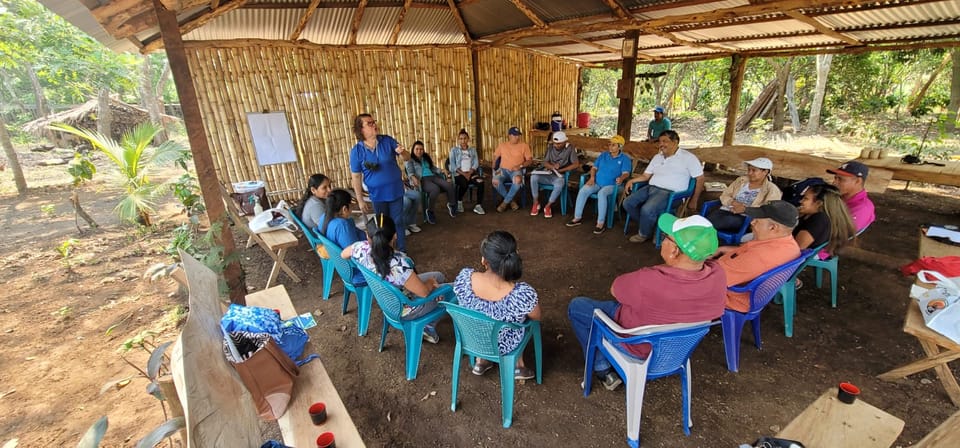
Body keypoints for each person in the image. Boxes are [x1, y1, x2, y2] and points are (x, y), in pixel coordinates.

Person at [567, 214, 726, 390]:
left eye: (666, 237)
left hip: (636, 345)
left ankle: (601, 367)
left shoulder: (649, 280)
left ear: (674, 251)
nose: (663, 240)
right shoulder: (718, 276)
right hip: (676, 352)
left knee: (577, 306)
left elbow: (615, 289)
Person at [341, 214, 445, 343]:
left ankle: (429, 322)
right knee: (449, 291)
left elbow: (343, 254)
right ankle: (428, 328)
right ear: (395, 235)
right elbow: (424, 293)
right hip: (406, 308)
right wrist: (430, 283)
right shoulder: (399, 265)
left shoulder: (360, 248)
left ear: (368, 237)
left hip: (388, 301)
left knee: (439, 276)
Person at [453, 231, 540, 380]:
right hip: (504, 346)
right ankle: (518, 366)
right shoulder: (522, 294)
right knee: (523, 322)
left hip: (472, 338)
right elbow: (537, 317)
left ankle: (481, 361)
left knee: (481, 318)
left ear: (484, 260)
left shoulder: (464, 278)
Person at [714, 200, 801, 312]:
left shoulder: (760, 257)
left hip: (731, 298)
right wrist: (723, 249)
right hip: (749, 292)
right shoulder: (789, 244)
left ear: (773, 228)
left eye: (757, 220)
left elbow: (714, 280)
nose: (752, 222)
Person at [623, 130, 704, 243]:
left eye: (665, 141)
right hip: (651, 188)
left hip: (671, 194)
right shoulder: (658, 157)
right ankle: (652, 226)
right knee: (628, 203)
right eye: (660, 141)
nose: (661, 144)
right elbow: (646, 176)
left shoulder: (688, 158)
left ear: (675, 142)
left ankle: (643, 234)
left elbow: (700, 178)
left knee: (647, 209)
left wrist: (694, 200)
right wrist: (631, 181)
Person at [349, 113, 410, 252]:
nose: (374, 125)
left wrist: (403, 152)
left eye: (373, 122)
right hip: (377, 195)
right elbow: (356, 177)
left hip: (395, 190)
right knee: (382, 224)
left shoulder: (387, 141)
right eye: (369, 123)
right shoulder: (357, 151)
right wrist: (360, 200)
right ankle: (386, 252)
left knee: (398, 222)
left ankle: (401, 251)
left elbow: (407, 158)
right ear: (361, 129)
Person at [567, 135, 632, 234]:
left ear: (620, 147)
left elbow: (626, 173)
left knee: (602, 193)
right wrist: (592, 178)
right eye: (609, 144)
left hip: (615, 186)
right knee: (584, 190)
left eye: (613, 145)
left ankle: (600, 224)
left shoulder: (624, 158)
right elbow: (594, 168)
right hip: (597, 182)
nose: (610, 147)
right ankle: (577, 218)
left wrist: (621, 178)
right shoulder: (604, 155)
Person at [705, 158, 782, 233]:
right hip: (726, 210)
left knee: (711, 223)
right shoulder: (741, 180)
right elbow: (725, 195)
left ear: (765, 172)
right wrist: (732, 202)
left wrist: (745, 209)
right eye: (749, 170)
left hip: (746, 218)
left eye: (754, 170)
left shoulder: (772, 190)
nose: (750, 173)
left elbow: (769, 211)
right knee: (706, 220)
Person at [318, 189, 366, 285]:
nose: (352, 209)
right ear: (344, 209)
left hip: (343, 269)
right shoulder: (342, 225)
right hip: (356, 273)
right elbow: (355, 255)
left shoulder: (324, 217)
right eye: (351, 206)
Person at [795, 183, 856, 258]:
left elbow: (798, 247)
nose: (801, 201)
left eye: (805, 198)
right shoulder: (811, 215)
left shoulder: (819, 220)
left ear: (818, 203)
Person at [530, 131, 580, 219]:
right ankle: (535, 203)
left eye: (559, 144)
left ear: (565, 142)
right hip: (548, 173)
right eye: (555, 143)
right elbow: (545, 162)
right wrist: (552, 167)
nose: (556, 145)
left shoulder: (570, 148)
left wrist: (561, 170)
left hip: (559, 176)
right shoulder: (550, 147)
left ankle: (548, 206)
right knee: (533, 177)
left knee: (559, 184)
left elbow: (576, 164)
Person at [405, 140, 457, 224]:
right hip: (422, 179)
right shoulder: (410, 159)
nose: (419, 151)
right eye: (417, 149)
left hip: (433, 176)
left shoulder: (425, 158)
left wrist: (441, 170)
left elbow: (432, 168)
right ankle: (430, 211)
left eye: (421, 149)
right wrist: (412, 177)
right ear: (413, 150)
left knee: (449, 185)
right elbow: (409, 171)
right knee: (435, 189)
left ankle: (451, 204)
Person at [492, 126, 534, 212]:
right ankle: (511, 201)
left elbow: (530, 161)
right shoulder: (502, 145)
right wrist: (494, 164)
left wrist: (520, 166)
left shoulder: (524, 146)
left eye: (518, 135)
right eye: (515, 135)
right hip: (502, 169)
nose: (517, 137)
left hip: (516, 171)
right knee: (495, 181)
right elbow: (495, 156)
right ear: (509, 136)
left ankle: (504, 203)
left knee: (518, 180)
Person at [827, 161, 875, 232]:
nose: (834, 182)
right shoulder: (838, 196)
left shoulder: (863, 208)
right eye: (835, 178)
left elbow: (841, 233)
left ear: (858, 181)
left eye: (840, 179)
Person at [448, 128, 486, 215]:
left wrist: (469, 173)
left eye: (465, 138)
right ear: (458, 140)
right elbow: (453, 165)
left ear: (468, 139)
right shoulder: (454, 150)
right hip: (459, 174)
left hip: (471, 173)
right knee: (464, 183)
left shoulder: (472, 150)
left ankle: (478, 206)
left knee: (481, 182)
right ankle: (459, 202)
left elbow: (476, 163)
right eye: (461, 139)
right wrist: (464, 174)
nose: (463, 141)